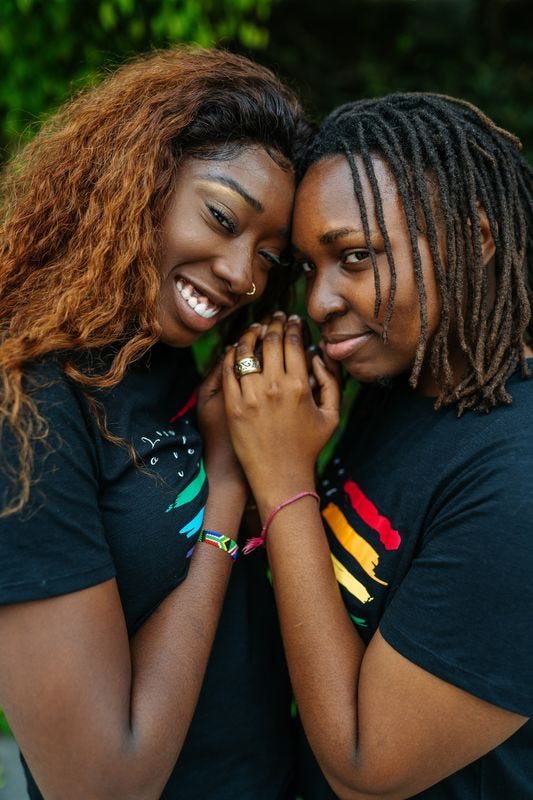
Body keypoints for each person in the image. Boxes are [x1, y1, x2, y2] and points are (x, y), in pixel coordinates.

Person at [0, 47, 311, 799]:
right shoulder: (25, 410)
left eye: (269, 256)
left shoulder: (162, 356)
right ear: (140, 178)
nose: (244, 275)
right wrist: (230, 483)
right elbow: (102, 782)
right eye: (220, 217)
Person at [220, 93, 533, 798]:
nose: (318, 301)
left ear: (474, 238)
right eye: (307, 267)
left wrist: (282, 479)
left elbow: (366, 765)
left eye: (354, 256)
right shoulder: (402, 389)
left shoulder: (518, 483)